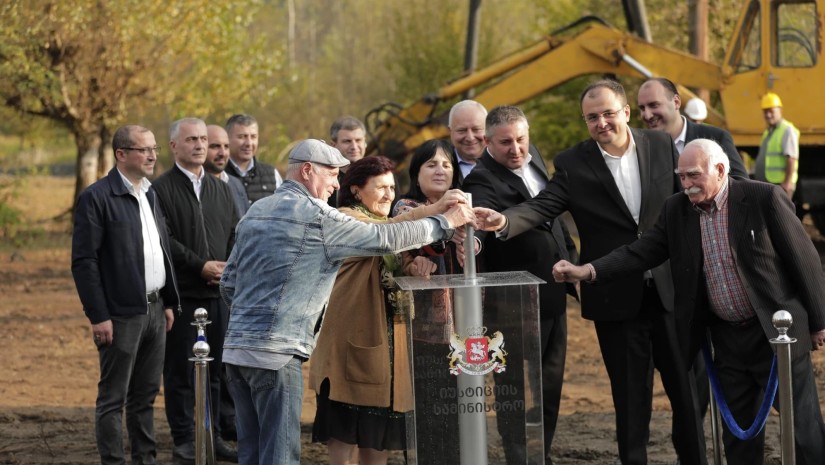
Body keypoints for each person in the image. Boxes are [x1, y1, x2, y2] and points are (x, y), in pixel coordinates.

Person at [474, 80, 707, 465]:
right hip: (614, 295)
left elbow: (689, 198)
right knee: (631, 402)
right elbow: (543, 205)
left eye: (609, 113)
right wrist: (503, 220)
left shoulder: (661, 145)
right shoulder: (573, 162)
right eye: (592, 117)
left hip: (673, 292)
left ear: (627, 113)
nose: (602, 123)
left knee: (688, 394)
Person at [552, 138, 825, 465]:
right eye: (682, 177)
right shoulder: (677, 209)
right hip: (727, 340)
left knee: (803, 430)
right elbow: (641, 252)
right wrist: (589, 270)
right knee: (738, 435)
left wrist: (819, 323)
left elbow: (804, 260)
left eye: (694, 175)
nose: (687, 185)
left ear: (720, 170)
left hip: (777, 336)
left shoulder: (762, 198)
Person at [220, 139, 476, 465]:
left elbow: (229, 283)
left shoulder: (257, 209)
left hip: (236, 350)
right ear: (308, 170)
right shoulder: (320, 217)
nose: (336, 183)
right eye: (332, 174)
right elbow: (385, 238)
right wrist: (446, 223)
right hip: (277, 354)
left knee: (251, 453)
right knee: (279, 455)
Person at [309, 155, 465, 465]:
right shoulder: (346, 219)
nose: (389, 195)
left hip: (387, 350)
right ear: (356, 190)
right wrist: (435, 210)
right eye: (380, 187)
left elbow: (393, 260)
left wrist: (415, 265)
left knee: (378, 436)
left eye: (392, 188)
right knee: (343, 435)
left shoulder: (386, 224)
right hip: (350, 348)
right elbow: (385, 237)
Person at [462, 105, 578, 465]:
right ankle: (517, 456)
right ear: (487, 142)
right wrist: (494, 222)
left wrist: (571, 259)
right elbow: (485, 222)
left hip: (555, 292)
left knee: (549, 384)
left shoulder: (537, 158)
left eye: (521, 139)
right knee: (514, 387)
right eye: (506, 142)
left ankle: (540, 452)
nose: (516, 149)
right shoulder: (480, 180)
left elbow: (553, 216)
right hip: (514, 302)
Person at [71, 125, 180, 465]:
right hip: (119, 315)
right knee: (113, 398)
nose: (152, 155)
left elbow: (159, 249)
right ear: (121, 154)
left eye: (154, 149)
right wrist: (98, 315)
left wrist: (168, 302)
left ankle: (144, 459)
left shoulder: (149, 193)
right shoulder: (97, 197)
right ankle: (114, 461)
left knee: (145, 396)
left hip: (155, 309)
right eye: (143, 149)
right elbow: (84, 261)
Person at [152, 118, 239, 464]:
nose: (201, 145)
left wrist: (226, 266)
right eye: (192, 140)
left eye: (204, 139)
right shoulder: (160, 189)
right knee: (180, 373)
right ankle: (185, 439)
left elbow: (235, 232)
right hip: (183, 295)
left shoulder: (221, 188)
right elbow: (164, 239)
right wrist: (199, 265)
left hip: (218, 295)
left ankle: (212, 435)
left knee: (216, 371)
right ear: (174, 146)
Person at [391, 138, 464, 465]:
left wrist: (471, 245)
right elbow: (426, 237)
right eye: (431, 164)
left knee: (459, 414)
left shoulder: (464, 207)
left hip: (463, 330)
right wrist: (451, 225)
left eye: (447, 164)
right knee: (428, 414)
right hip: (422, 334)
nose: (440, 170)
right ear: (416, 172)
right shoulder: (406, 208)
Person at [637, 77, 747, 177]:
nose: (647, 115)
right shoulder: (641, 149)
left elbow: (741, 186)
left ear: (676, 102)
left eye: (654, 105)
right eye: (642, 108)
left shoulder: (716, 138)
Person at [224, 113, 283, 206]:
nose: (248, 143)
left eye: (253, 137)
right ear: (227, 139)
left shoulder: (271, 174)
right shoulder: (218, 175)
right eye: (242, 137)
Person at [755, 92, 799, 197]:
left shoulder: (787, 130)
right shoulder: (768, 132)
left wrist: (787, 182)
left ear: (780, 110)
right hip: (769, 184)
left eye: (771, 111)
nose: (768, 115)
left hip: (781, 185)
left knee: (780, 213)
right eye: (765, 112)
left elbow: (791, 159)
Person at [205, 124, 250, 217]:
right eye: (215, 146)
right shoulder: (193, 187)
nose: (223, 153)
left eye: (226, 146)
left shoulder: (236, 184)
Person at [327, 115, 367, 206]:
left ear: (365, 143)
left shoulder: (381, 176)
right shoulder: (324, 180)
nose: (354, 147)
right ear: (333, 145)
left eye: (358, 140)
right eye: (347, 141)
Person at [448, 99, 488, 183]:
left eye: (476, 129)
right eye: (462, 130)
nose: (470, 138)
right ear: (450, 132)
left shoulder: (505, 161)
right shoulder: (437, 168)